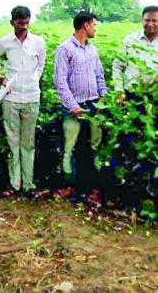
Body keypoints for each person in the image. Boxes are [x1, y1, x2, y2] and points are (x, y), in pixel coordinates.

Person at [54, 11, 107, 203]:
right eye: (94, 25)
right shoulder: (65, 49)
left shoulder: (93, 50)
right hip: (73, 108)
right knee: (70, 147)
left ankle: (91, 188)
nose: (96, 28)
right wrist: (73, 105)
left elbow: (100, 76)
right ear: (86, 25)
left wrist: (103, 99)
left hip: (93, 106)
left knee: (92, 147)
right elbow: (60, 82)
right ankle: (69, 186)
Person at [0, 6, 46, 197]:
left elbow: (41, 64)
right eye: (19, 22)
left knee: (28, 142)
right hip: (11, 98)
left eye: (26, 22)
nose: (23, 26)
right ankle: (14, 184)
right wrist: (0, 78)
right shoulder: (4, 42)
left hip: (32, 97)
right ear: (12, 22)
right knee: (12, 142)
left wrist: (35, 79)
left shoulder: (38, 42)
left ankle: (29, 184)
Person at [112, 5, 157, 100]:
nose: (150, 24)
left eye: (154, 21)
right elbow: (117, 66)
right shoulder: (130, 40)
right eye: (147, 20)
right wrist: (119, 90)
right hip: (131, 95)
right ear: (142, 20)